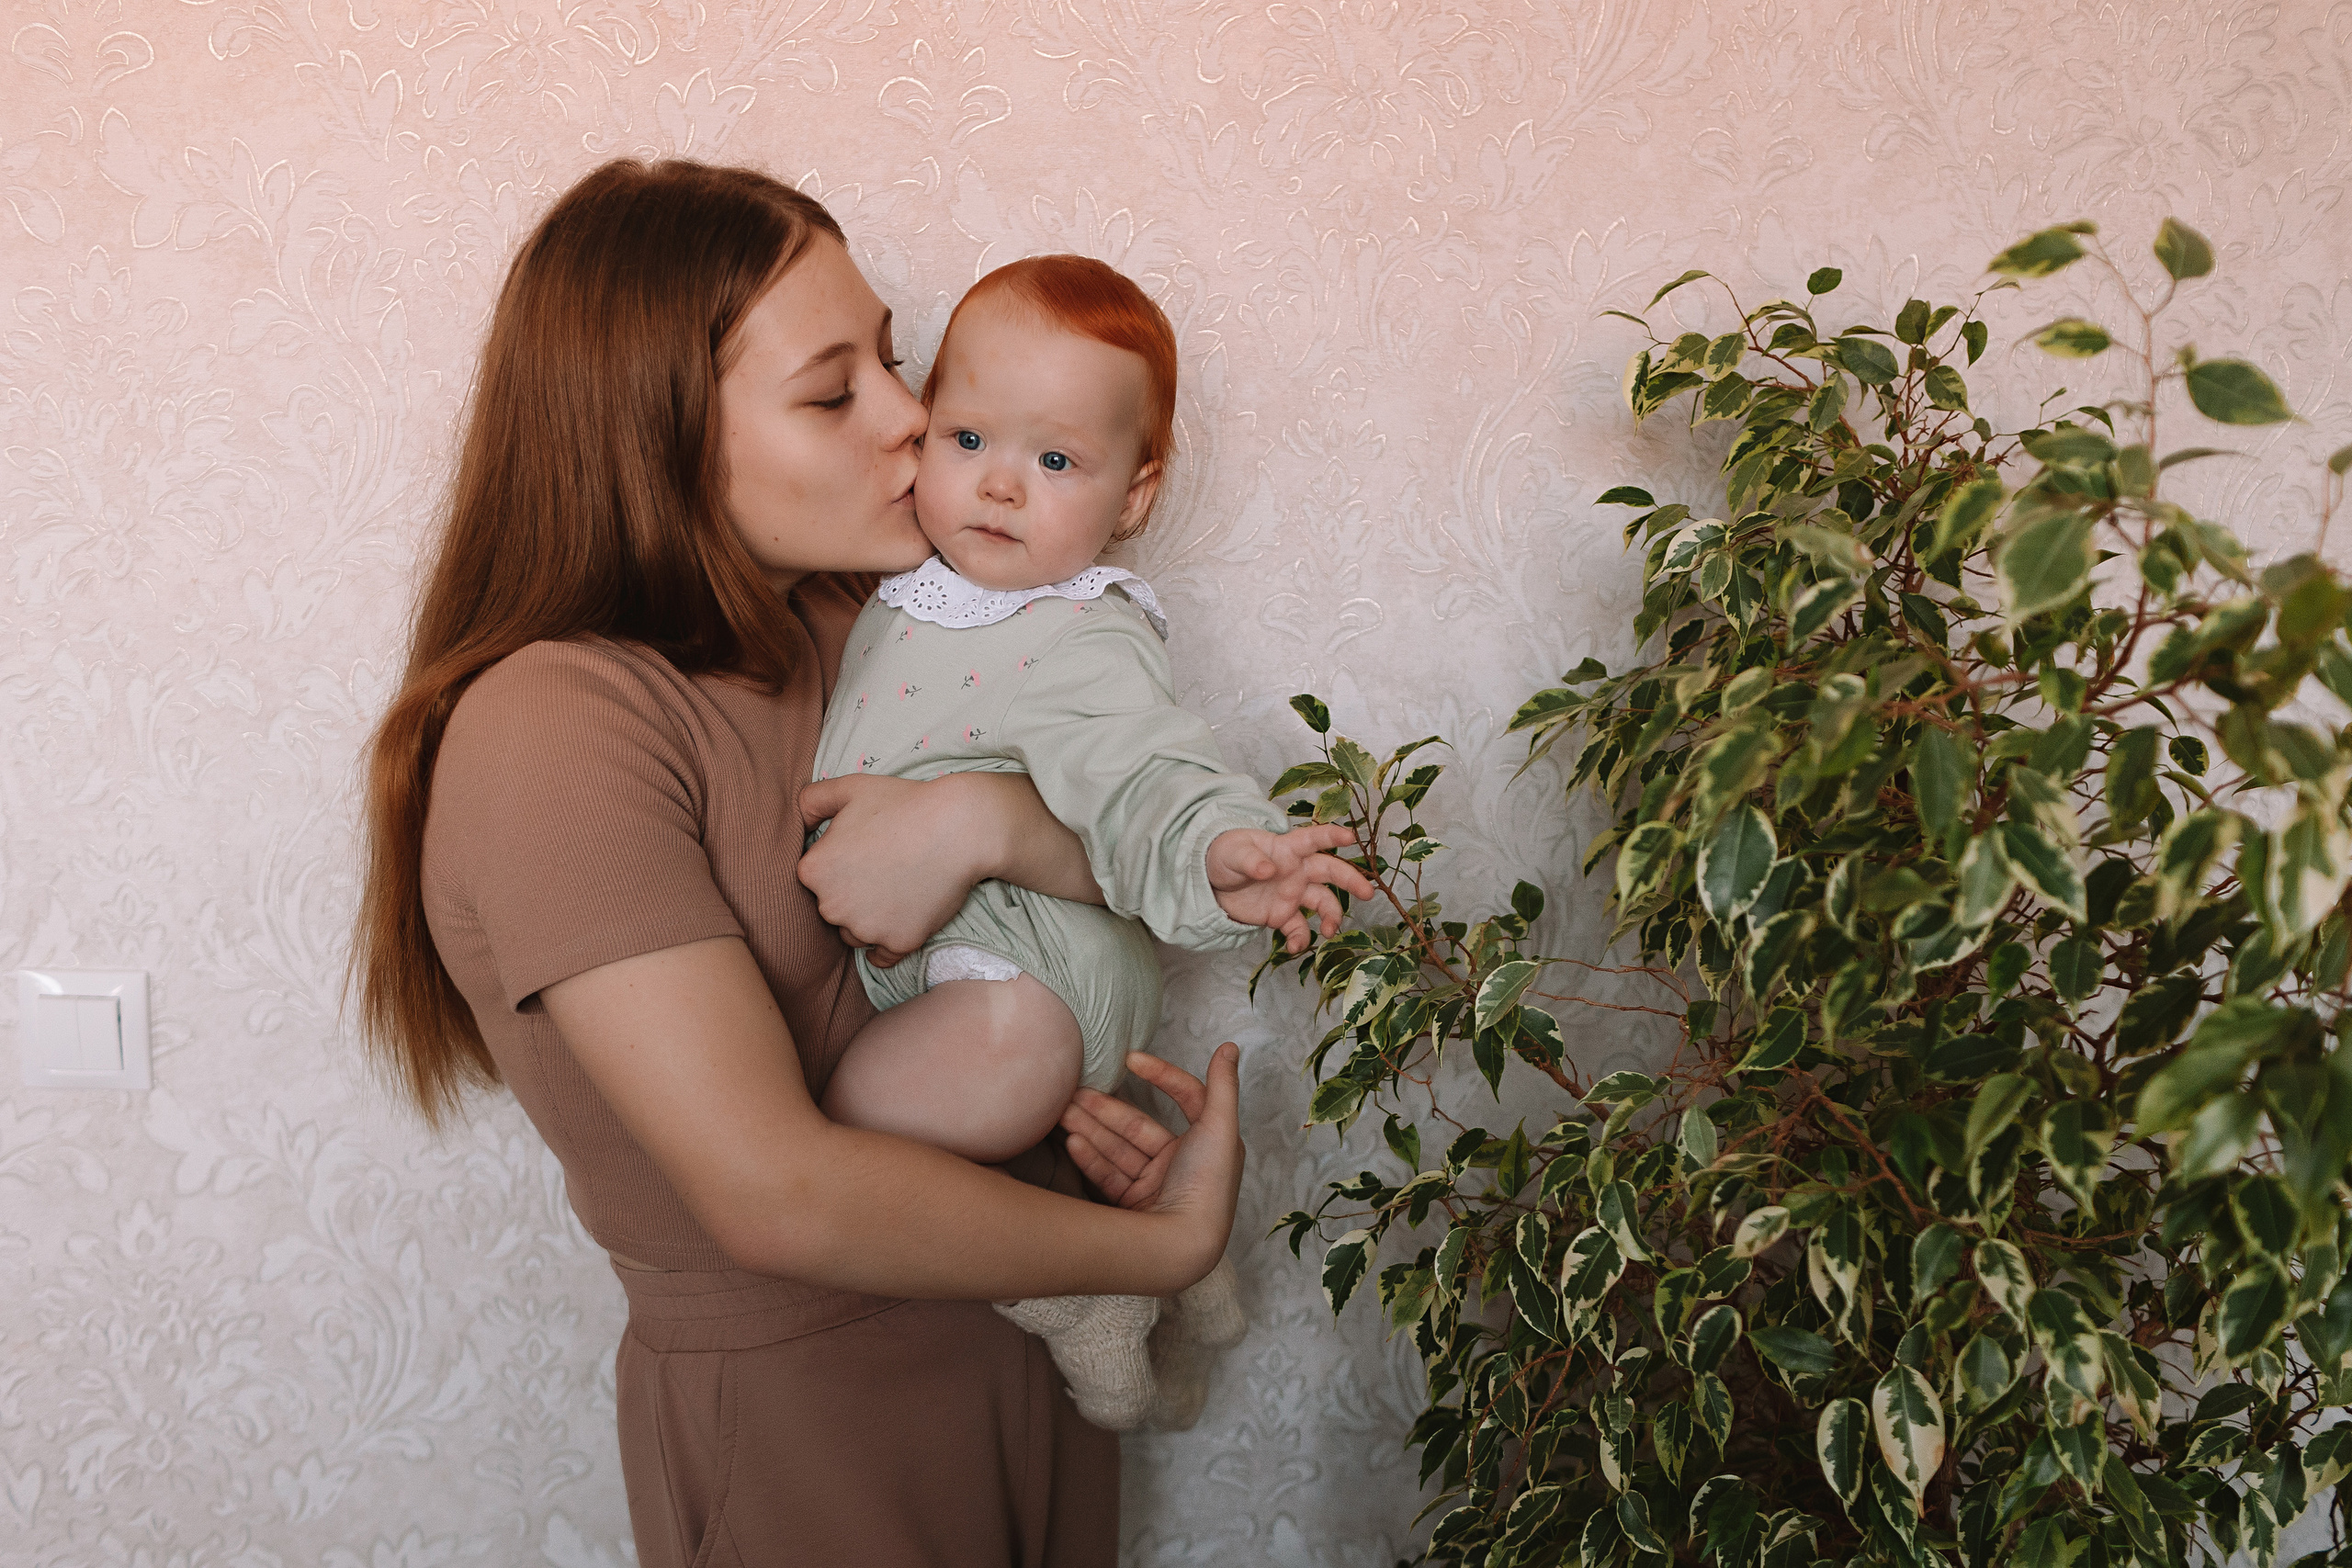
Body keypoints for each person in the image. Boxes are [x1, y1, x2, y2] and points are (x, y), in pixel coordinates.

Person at [352, 158, 1243, 1568]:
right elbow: (777, 1189)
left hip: (1032, 1349)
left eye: (893, 358)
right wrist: (1161, 1254)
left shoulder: (863, 626)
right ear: (651, 434)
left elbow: (1137, 817)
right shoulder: (554, 724)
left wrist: (989, 831)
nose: (911, 417)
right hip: (816, 1423)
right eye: (836, 392)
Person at [810, 254, 1373, 1430]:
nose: (1001, 487)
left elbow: (1143, 768)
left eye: (1056, 461)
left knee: (839, 1136)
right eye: (967, 439)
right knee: (918, 1145)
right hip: (991, 973)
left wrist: (1224, 846)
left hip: (1025, 988)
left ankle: (1073, 1287)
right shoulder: (909, 586)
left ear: (1134, 496)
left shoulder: (1078, 629)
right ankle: (1169, 1254)